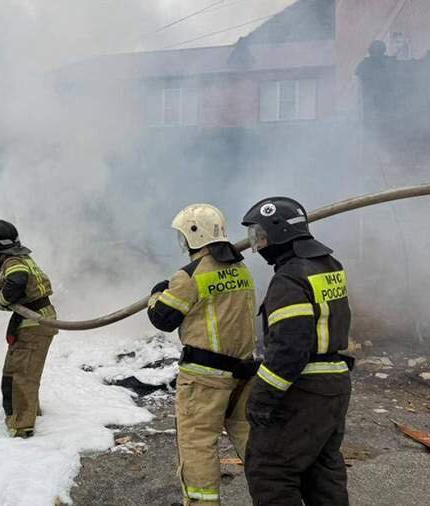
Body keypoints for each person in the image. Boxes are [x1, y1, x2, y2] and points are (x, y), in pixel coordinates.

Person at [241, 197, 353, 506]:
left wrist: (262, 397)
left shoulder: (289, 278)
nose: (259, 244)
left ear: (280, 233)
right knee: (322, 474)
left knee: (270, 471)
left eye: (261, 236)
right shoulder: (328, 265)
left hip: (305, 390)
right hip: (335, 385)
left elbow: (290, 349)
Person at [147, 204, 258, 505]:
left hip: (204, 381)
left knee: (197, 443)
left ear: (194, 236)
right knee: (249, 436)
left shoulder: (190, 276)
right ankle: (276, 492)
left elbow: (162, 318)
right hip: (243, 373)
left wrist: (157, 293)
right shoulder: (242, 269)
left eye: (183, 236)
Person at [0, 219, 58, 439]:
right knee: (21, 370)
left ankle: (22, 427)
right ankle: (28, 412)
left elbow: (13, 287)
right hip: (36, 320)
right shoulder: (22, 258)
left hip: (34, 323)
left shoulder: (13, 262)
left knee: (21, 374)